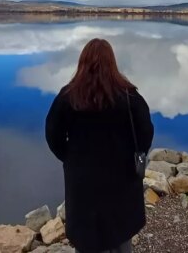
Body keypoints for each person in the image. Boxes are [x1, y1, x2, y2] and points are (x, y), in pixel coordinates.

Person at [45, 38, 154, 253]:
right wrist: (133, 153)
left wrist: (70, 157)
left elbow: (53, 136)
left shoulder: (68, 97)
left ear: (82, 63)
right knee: (121, 235)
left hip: (83, 182)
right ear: (112, 63)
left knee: (87, 241)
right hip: (122, 178)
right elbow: (145, 133)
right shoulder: (129, 96)